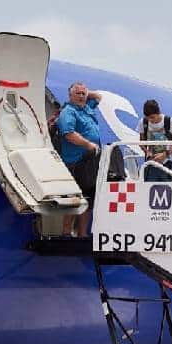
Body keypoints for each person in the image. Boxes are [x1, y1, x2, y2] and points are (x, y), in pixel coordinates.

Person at [56, 82, 103, 237]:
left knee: (88, 199)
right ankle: (66, 232)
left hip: (90, 161)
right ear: (70, 96)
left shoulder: (87, 108)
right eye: (78, 93)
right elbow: (68, 133)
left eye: (83, 93)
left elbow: (99, 96)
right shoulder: (68, 112)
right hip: (75, 161)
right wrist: (88, 144)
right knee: (74, 199)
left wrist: (85, 93)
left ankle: (82, 233)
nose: (82, 96)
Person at [138, 99, 172, 182]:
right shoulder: (143, 122)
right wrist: (147, 152)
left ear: (158, 113)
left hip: (166, 161)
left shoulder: (168, 121)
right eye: (148, 118)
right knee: (149, 188)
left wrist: (165, 154)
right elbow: (141, 142)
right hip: (151, 161)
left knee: (166, 188)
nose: (151, 120)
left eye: (153, 117)